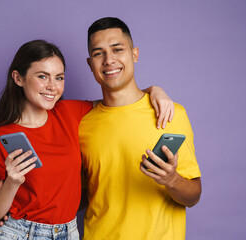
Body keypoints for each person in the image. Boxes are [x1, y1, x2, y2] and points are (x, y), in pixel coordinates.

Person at [0, 39, 175, 240]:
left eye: (59, 77)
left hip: (69, 233)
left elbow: (121, 99)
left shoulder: (70, 113)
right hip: (21, 233)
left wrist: (154, 90)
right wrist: (12, 183)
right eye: (42, 76)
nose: (52, 87)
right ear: (18, 78)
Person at [79, 17, 202, 240]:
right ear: (90, 64)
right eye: (99, 53)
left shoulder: (171, 114)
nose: (109, 60)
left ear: (134, 54)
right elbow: (81, 195)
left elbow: (193, 197)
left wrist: (172, 180)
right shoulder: (81, 124)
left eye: (117, 49)